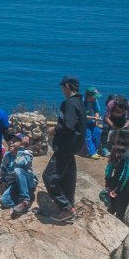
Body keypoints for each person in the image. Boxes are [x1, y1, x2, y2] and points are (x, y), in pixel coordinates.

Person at [40, 75, 86, 222]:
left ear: (66, 86)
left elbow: (68, 126)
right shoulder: (80, 102)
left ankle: (66, 207)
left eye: (62, 87)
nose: (62, 90)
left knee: (49, 177)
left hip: (65, 147)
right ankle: (70, 207)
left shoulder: (69, 103)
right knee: (67, 178)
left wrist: (54, 129)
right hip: (73, 147)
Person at [0, 133, 36, 214]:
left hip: (28, 183)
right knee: (3, 201)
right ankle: (22, 203)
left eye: (15, 141)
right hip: (15, 184)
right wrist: (3, 180)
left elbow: (19, 163)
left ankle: (26, 199)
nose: (11, 142)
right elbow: (3, 169)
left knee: (17, 170)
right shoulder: (7, 155)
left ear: (22, 144)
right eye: (11, 140)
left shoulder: (27, 153)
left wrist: (22, 148)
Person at [103, 127, 129, 220]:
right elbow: (126, 173)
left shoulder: (115, 150)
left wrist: (108, 183)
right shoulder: (127, 153)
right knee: (120, 212)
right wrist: (117, 189)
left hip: (113, 182)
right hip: (124, 187)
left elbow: (109, 169)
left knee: (111, 208)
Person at [85, 88, 103, 159]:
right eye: (94, 96)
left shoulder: (94, 101)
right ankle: (91, 153)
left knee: (97, 132)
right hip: (82, 122)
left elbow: (96, 111)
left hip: (91, 121)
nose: (96, 98)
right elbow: (81, 115)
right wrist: (93, 118)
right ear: (89, 96)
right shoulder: (82, 102)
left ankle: (94, 151)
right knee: (88, 134)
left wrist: (96, 123)